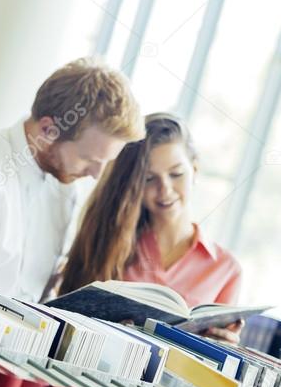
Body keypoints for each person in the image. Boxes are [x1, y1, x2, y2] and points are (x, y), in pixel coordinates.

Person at [0, 58, 144, 301]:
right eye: (88, 159)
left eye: (105, 163)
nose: (95, 174)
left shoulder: (63, 187)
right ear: (47, 130)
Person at [59, 113, 243, 343]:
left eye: (176, 174)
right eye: (148, 179)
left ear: (194, 171)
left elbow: (214, 359)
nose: (165, 190)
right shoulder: (108, 242)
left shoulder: (226, 269)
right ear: (134, 185)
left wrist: (224, 348)